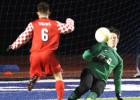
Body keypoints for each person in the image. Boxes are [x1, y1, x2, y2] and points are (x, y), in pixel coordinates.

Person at [7, 1, 75, 100]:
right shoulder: (55, 24)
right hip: (48, 54)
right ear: (49, 12)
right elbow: (69, 29)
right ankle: (60, 98)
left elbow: (24, 37)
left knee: (37, 72)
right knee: (58, 77)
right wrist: (70, 20)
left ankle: (34, 78)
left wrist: (13, 46)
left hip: (34, 55)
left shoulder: (33, 24)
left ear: (38, 13)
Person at [68, 27, 123, 100]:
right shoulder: (100, 46)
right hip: (90, 72)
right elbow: (85, 55)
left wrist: (118, 93)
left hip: (102, 79)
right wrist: (94, 58)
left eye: (115, 37)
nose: (113, 39)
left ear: (118, 40)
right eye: (110, 37)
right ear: (107, 39)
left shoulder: (119, 60)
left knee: (97, 90)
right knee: (85, 86)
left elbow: (117, 78)